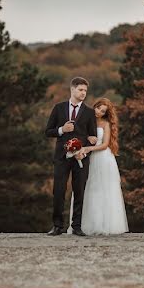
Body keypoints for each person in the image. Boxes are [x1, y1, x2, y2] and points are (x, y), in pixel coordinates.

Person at [67, 98, 129, 235]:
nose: (99, 112)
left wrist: (88, 149)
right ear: (94, 106)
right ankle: (84, 225)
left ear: (106, 113)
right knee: (87, 189)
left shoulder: (106, 124)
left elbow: (105, 145)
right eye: (98, 108)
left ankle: (105, 225)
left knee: (104, 190)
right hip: (88, 158)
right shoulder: (85, 120)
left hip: (103, 159)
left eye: (103, 111)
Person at [44, 76, 97, 236]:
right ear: (72, 89)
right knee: (58, 190)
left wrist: (89, 144)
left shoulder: (89, 112)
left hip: (81, 158)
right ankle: (57, 226)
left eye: (85, 91)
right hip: (61, 157)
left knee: (79, 191)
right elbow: (48, 131)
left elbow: (93, 136)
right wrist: (61, 130)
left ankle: (77, 226)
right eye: (81, 90)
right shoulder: (58, 108)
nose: (83, 93)